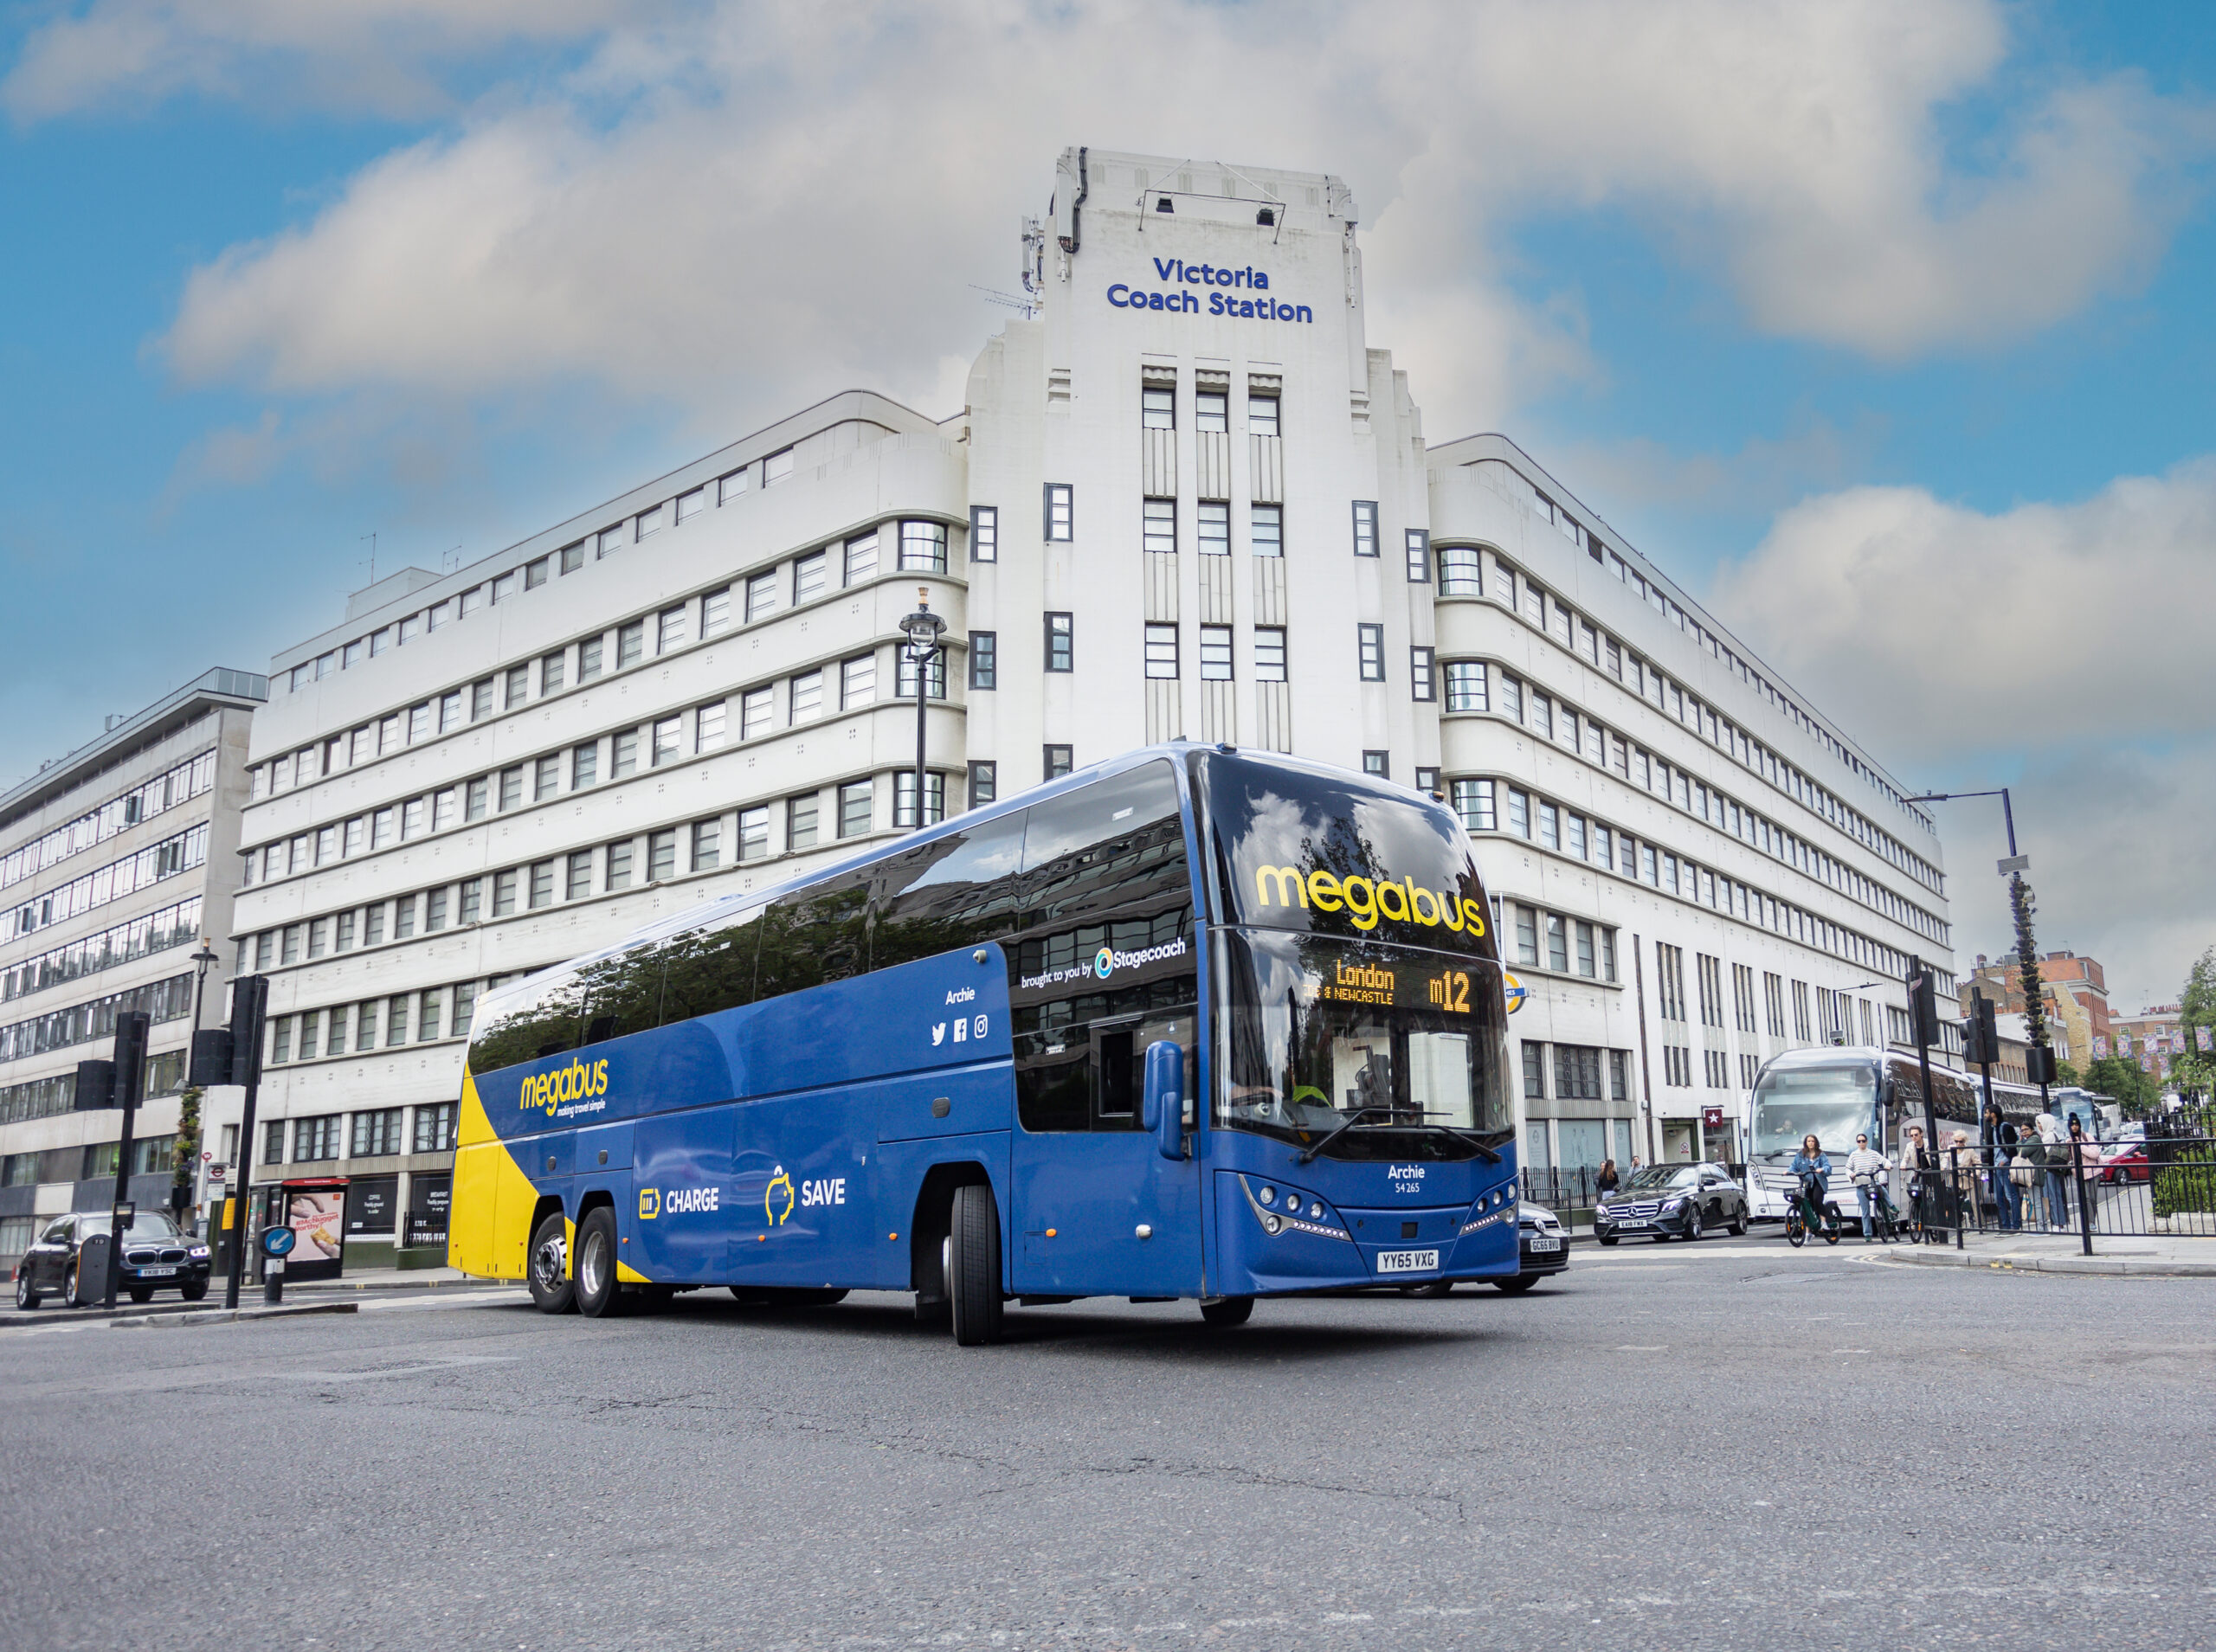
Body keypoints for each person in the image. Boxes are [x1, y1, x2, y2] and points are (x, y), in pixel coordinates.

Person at [1981, 1102, 2022, 1231]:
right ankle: (2005, 1226)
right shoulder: (1992, 1129)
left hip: (2004, 1166)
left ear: (1993, 1114)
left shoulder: (2005, 1128)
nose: (1985, 1116)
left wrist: (2005, 1161)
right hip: (1996, 1167)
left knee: (2011, 1196)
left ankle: (2015, 1225)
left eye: (1986, 1113)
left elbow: (2012, 1147)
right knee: (1999, 1199)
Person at [1846, 1132, 1891, 1242]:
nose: (1861, 1143)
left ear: (1867, 1142)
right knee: (1865, 1211)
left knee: (1882, 1190)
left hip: (1873, 1182)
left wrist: (1888, 1165)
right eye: (1859, 1141)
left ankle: (1892, 1207)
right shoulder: (1853, 1155)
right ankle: (1867, 1235)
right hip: (1861, 1185)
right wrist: (1851, 1174)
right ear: (1857, 1143)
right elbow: (1848, 1168)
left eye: (1863, 1141)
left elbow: (1884, 1161)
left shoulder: (1873, 1153)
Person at [1789, 1134, 1832, 1234]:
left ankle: (1823, 1222)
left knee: (1817, 1199)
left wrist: (1822, 1169)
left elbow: (1828, 1167)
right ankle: (1808, 1233)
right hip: (1806, 1182)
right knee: (1805, 1205)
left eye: (1813, 1141)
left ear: (1816, 1142)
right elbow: (1794, 1166)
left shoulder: (1821, 1154)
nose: (1811, 1143)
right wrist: (1788, 1171)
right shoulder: (1800, 1154)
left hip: (1818, 1182)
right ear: (1806, 1143)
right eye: (1809, 1141)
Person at [2032, 1113, 2070, 1229]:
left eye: (2040, 1123)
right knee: (2056, 1195)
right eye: (2037, 1123)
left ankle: (2057, 1223)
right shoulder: (2052, 1134)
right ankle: (2060, 1222)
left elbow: (2040, 1151)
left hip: (2049, 1169)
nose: (2038, 1125)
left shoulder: (2048, 1136)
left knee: (2052, 1196)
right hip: (2054, 1169)